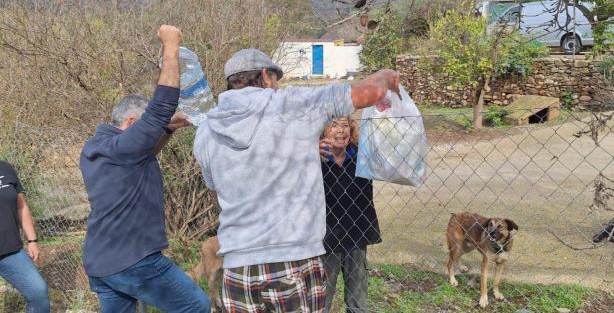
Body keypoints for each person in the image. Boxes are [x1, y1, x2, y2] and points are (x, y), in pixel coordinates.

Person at [193, 48, 398, 313]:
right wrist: (384, 75)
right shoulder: (295, 106)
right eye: (275, 81)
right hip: (293, 260)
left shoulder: (207, 129)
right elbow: (368, 93)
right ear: (267, 77)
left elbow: (216, 195)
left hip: (237, 266)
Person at [79, 25, 210, 313]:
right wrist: (171, 47)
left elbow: (141, 154)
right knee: (196, 306)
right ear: (130, 124)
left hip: (102, 262)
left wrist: (165, 128)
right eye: (143, 129)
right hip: (134, 260)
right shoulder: (122, 147)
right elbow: (163, 105)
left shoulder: (98, 147)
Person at [319, 117, 381, 313]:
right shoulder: (314, 158)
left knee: (358, 299)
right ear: (322, 132)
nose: (341, 130)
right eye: (334, 125)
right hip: (325, 237)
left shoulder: (361, 155)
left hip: (356, 233)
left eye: (345, 125)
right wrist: (310, 152)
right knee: (321, 297)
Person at [0, 161, 50, 313]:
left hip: (10, 250)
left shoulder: (5, 168)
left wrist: (32, 240)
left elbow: (21, 206)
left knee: (38, 292)